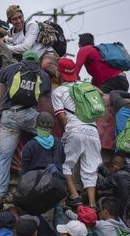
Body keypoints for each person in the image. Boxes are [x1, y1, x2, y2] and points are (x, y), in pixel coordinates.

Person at [0, 50, 51, 204]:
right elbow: (45, 91)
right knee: (48, 140)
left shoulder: (13, 68)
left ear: (23, 59)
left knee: (4, 157)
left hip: (8, 116)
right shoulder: (43, 74)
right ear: (37, 61)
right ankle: (42, 183)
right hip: (28, 116)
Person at [52, 58, 102, 208]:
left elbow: (61, 116)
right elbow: (100, 93)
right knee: (90, 169)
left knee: (65, 164)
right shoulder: (87, 86)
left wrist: (70, 129)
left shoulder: (58, 91)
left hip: (75, 129)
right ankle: (92, 205)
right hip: (93, 131)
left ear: (59, 73)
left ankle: (74, 196)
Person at [97, 155, 130, 219]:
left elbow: (101, 185)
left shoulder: (119, 175)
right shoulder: (126, 171)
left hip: (127, 209)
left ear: (114, 166)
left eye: (110, 168)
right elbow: (111, 176)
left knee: (103, 200)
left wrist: (94, 173)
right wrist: (101, 168)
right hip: (127, 205)